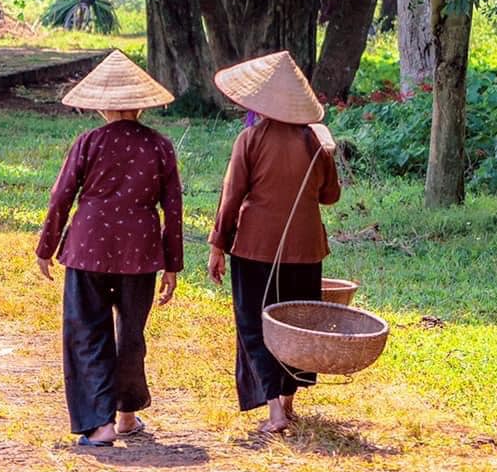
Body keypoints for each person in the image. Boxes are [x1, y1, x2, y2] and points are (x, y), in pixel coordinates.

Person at [36, 50, 183, 447]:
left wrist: (46, 245)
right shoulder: (160, 146)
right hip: (141, 250)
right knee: (131, 333)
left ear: (101, 106)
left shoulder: (88, 142)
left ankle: (99, 425)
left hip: (88, 246)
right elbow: (173, 207)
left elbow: (61, 196)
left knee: (86, 331)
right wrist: (173, 265)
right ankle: (125, 416)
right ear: (139, 104)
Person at [206, 50, 341, 436]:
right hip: (306, 248)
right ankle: (287, 403)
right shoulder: (316, 143)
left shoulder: (249, 140)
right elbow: (330, 196)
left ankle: (274, 411)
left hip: (254, 249)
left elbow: (231, 200)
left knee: (255, 325)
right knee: (296, 323)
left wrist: (218, 245)